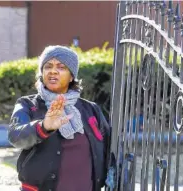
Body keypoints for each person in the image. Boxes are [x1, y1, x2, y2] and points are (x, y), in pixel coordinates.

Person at [8, 45, 111, 191]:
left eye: (61, 67)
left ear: (72, 76)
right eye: (48, 66)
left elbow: (108, 148)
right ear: (42, 73)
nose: (53, 71)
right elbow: (15, 136)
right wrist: (43, 127)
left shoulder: (90, 109)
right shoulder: (28, 104)